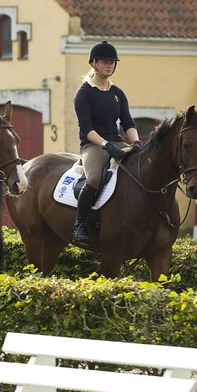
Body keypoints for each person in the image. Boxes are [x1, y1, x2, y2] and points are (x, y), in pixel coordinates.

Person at [71, 40, 142, 246]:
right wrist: (106, 145)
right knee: (94, 179)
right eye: (104, 61)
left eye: (112, 62)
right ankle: (79, 225)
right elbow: (86, 128)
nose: (109, 65)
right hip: (93, 145)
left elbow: (127, 122)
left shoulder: (117, 93)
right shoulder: (84, 93)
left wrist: (136, 142)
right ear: (93, 63)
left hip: (117, 142)